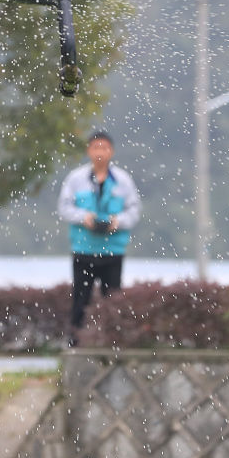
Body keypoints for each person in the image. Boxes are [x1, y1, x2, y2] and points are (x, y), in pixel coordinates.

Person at [57, 130, 141, 346]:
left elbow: (134, 211)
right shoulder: (76, 179)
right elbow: (64, 208)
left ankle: (112, 344)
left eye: (104, 148)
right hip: (84, 249)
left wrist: (117, 221)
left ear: (111, 151)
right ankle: (75, 344)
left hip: (113, 250)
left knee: (112, 301)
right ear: (88, 151)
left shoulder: (123, 181)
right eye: (96, 147)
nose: (100, 152)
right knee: (80, 300)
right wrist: (83, 217)